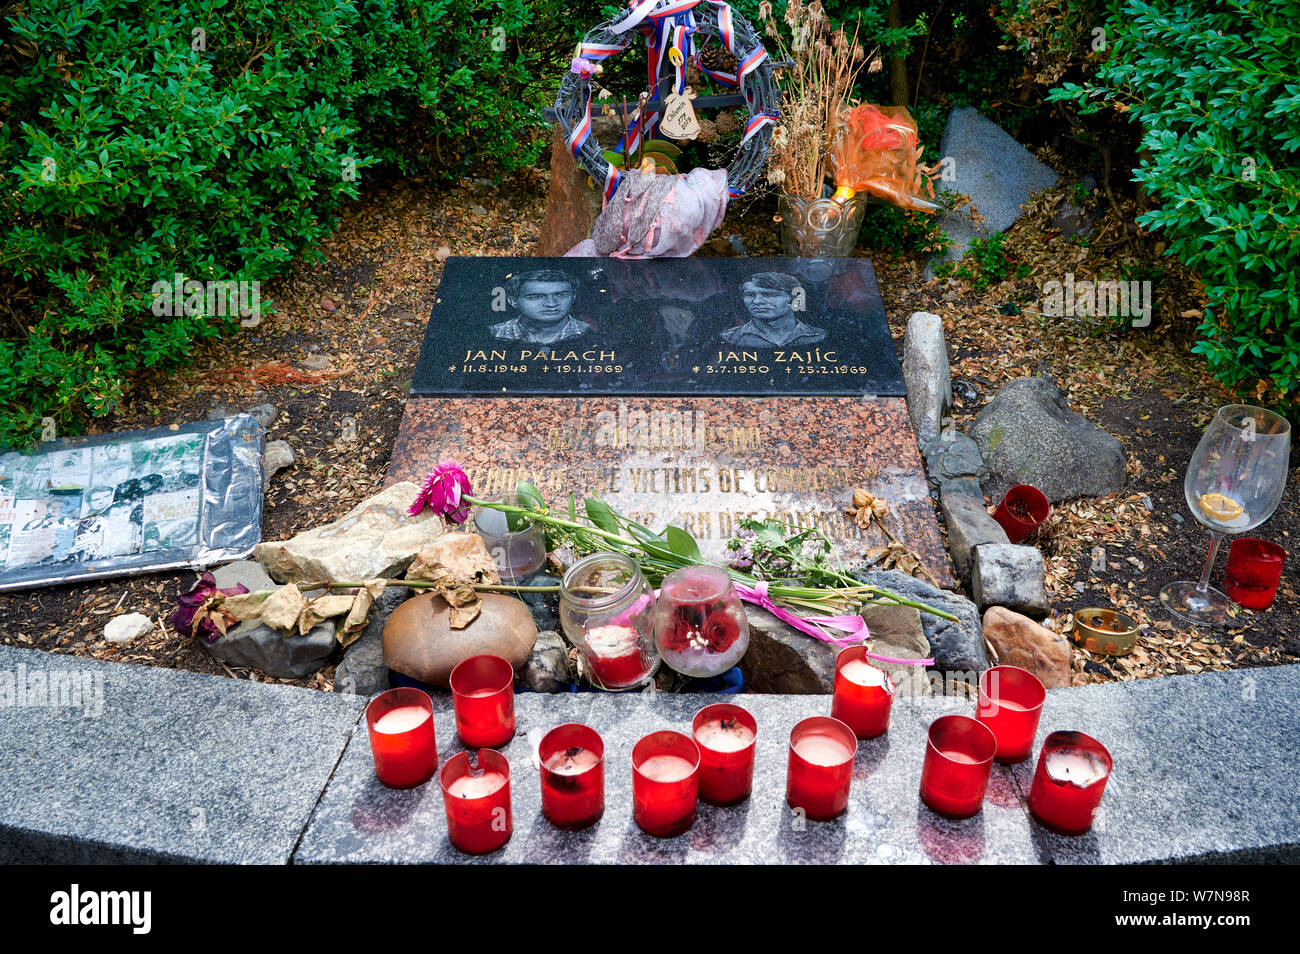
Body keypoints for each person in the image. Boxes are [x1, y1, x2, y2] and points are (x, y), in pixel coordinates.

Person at [719, 272, 827, 347]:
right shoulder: (730, 337)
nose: (757, 301)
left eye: (769, 295)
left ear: (795, 299)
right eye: (750, 294)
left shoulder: (819, 336)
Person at [489, 270, 589, 344]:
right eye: (536, 297)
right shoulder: (492, 333)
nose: (551, 304)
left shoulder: (591, 331)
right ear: (513, 301)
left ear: (573, 297)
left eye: (561, 295)